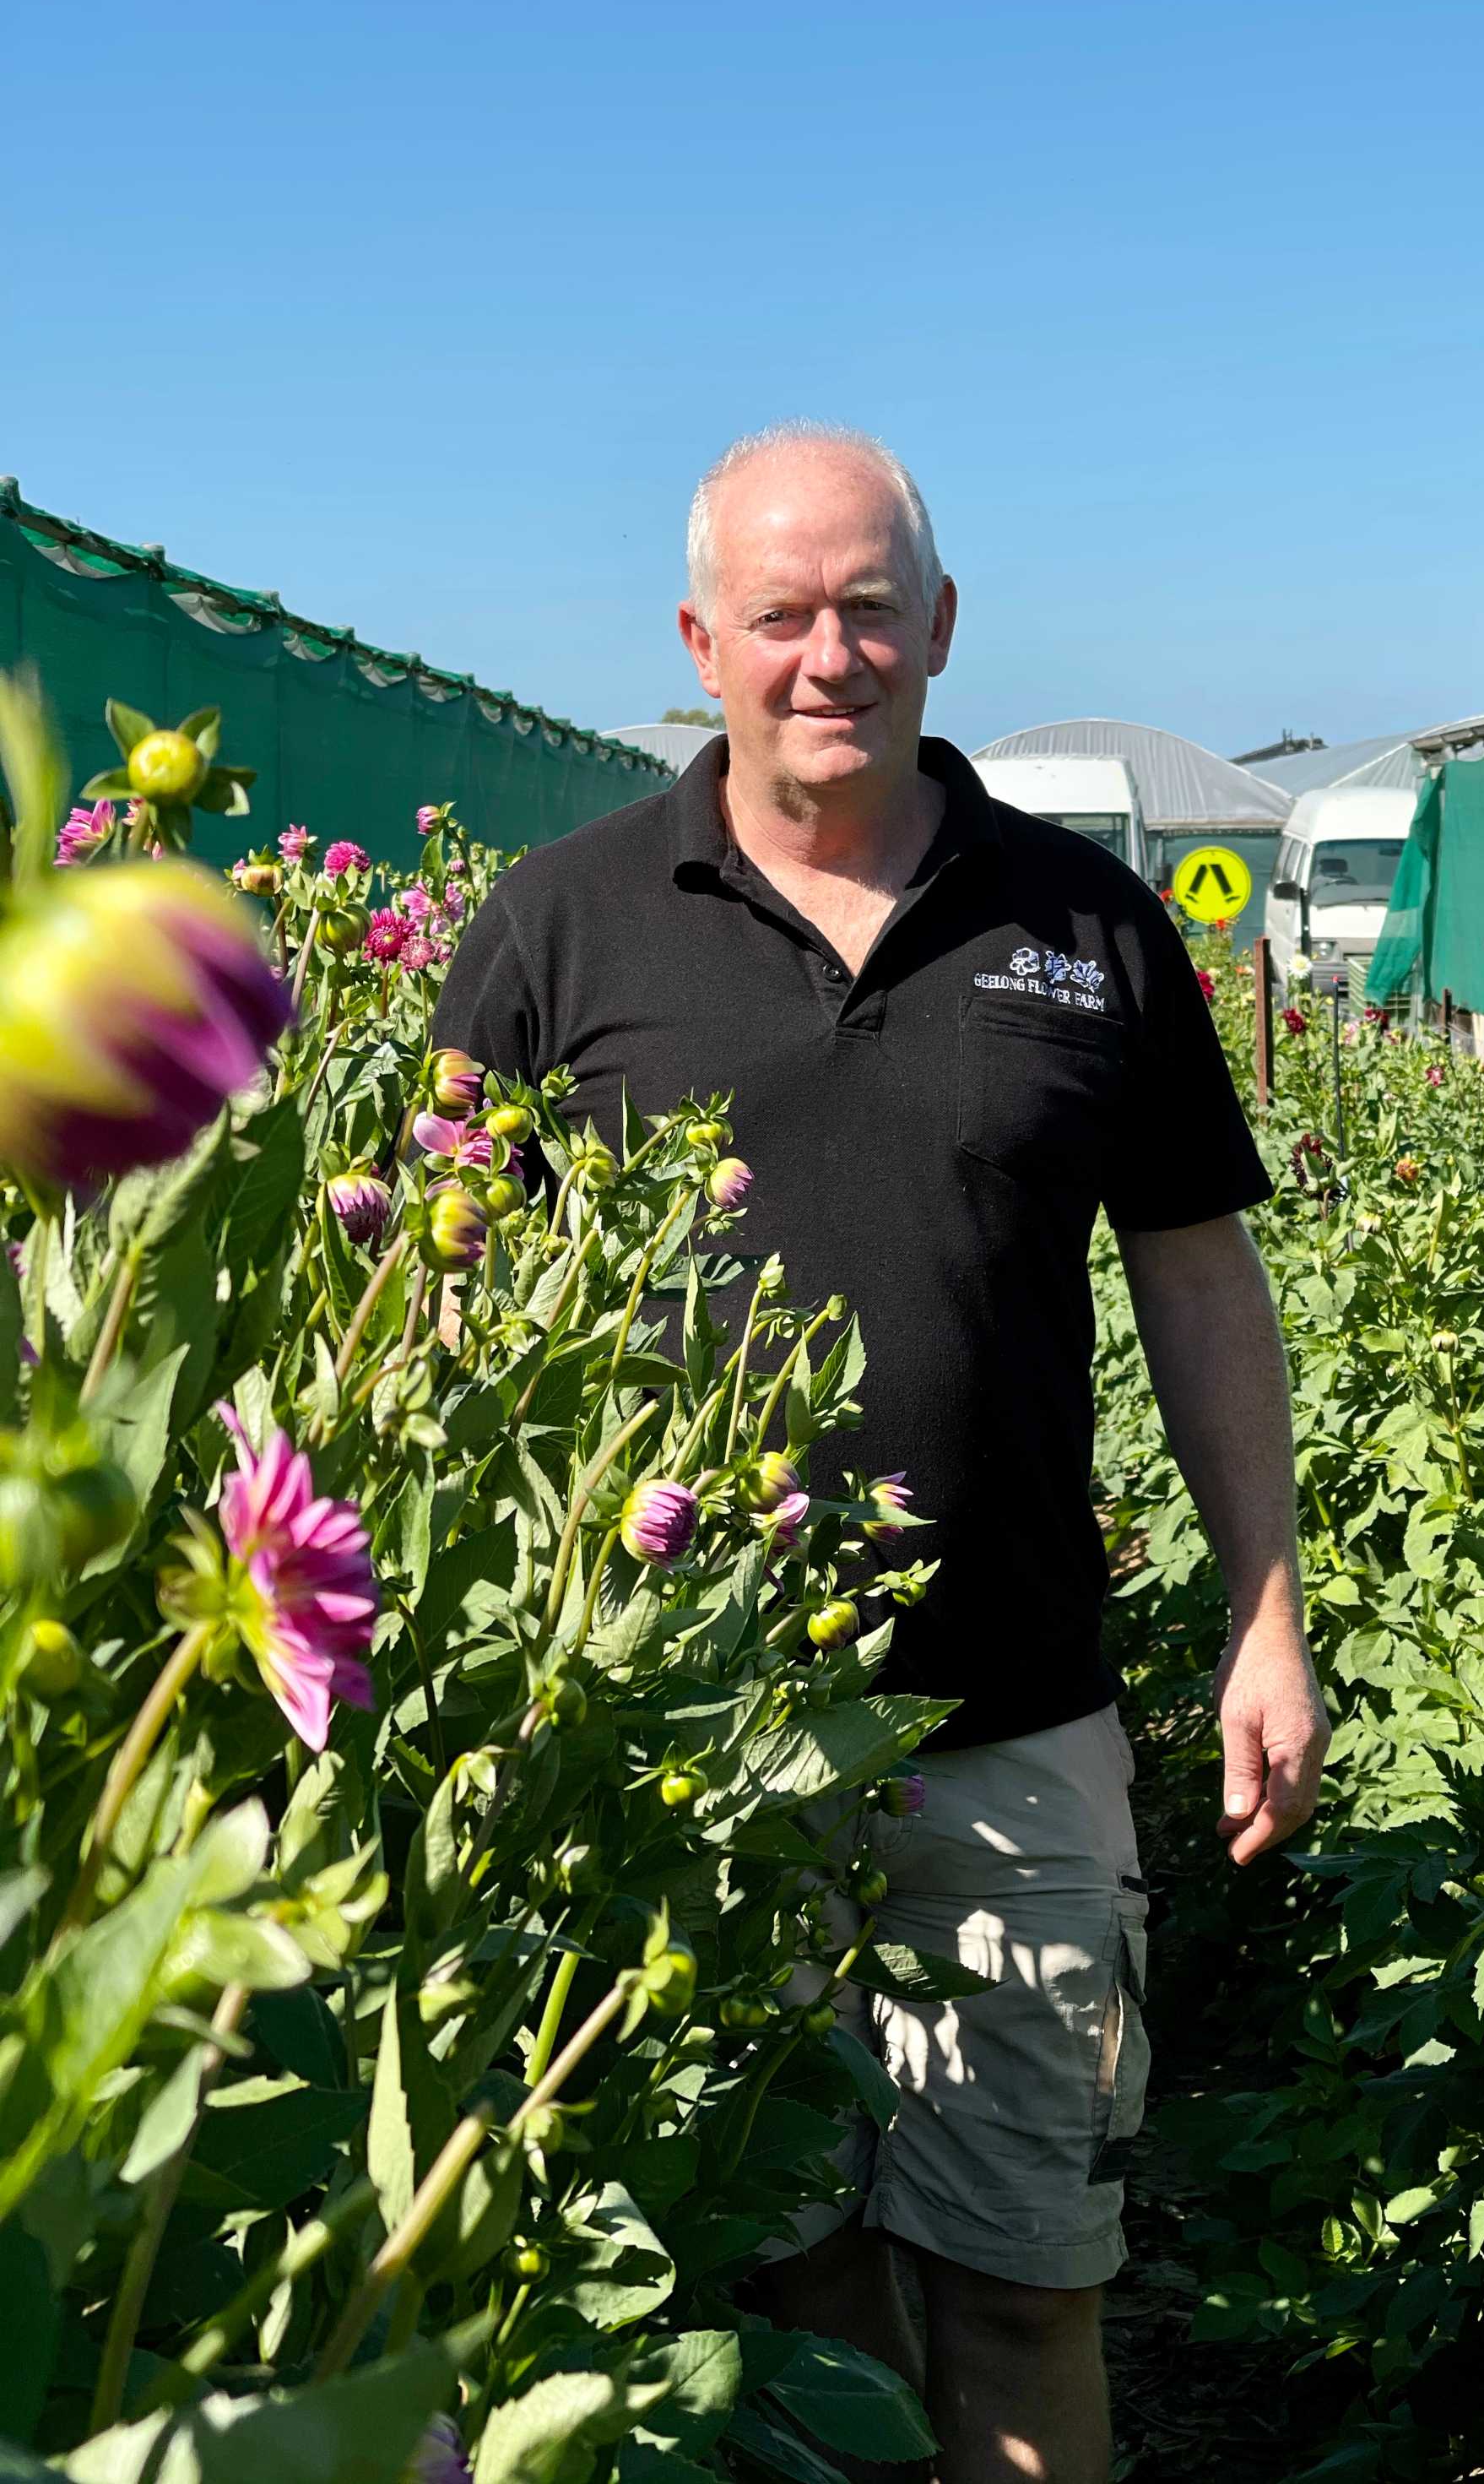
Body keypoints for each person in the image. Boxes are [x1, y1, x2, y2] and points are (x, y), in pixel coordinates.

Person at [432, 422, 1329, 2484]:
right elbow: (440, 1298)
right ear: (699, 641)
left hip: (1009, 1723)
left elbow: (1198, 1284)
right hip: (687, 1745)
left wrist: (1266, 1615)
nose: (825, 655)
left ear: (938, 626)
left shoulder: (1085, 925)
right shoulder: (563, 930)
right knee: (788, 2282)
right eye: (777, 615)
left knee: (1030, 2282)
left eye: (865, 609)